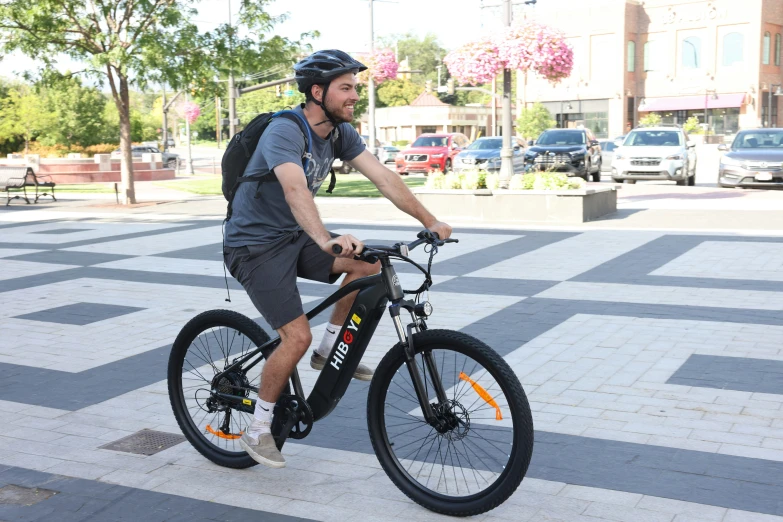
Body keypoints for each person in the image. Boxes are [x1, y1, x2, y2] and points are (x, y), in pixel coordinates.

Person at [222, 50, 452, 468]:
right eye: (345, 88)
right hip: (253, 246)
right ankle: (257, 431)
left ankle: (328, 347)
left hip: (292, 236)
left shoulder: (341, 133)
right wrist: (326, 239)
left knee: (368, 265)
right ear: (316, 91)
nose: (353, 97)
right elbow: (295, 190)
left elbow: (384, 177)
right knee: (295, 336)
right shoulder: (284, 131)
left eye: (354, 88)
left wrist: (431, 220)